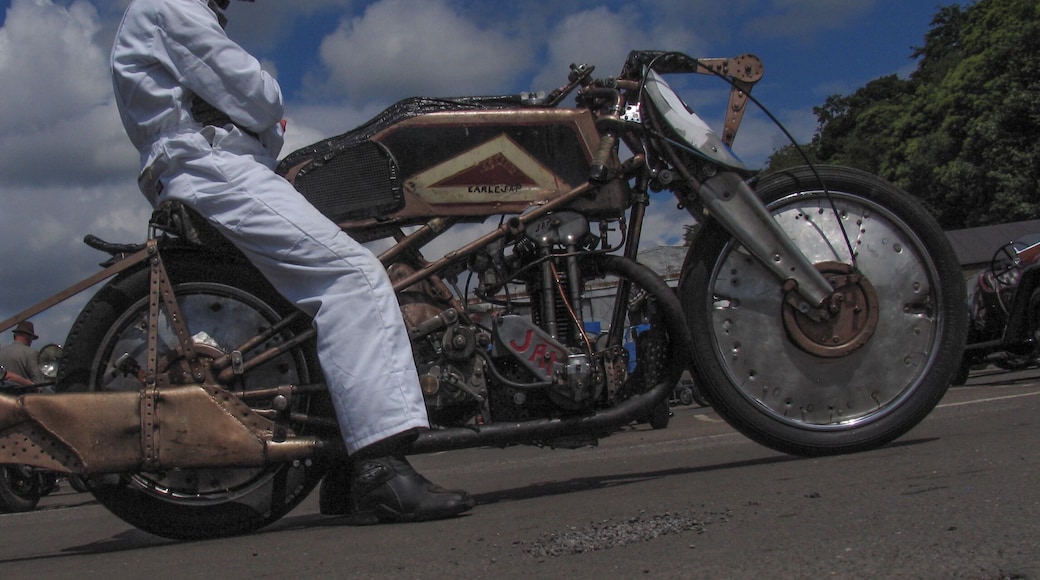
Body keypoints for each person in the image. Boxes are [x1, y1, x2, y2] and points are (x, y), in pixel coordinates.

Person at [110, 0, 473, 524]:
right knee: (354, 280)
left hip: (211, 166)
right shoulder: (170, 6)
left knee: (315, 309)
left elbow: (256, 114)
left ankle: (345, 470)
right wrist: (265, 90)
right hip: (214, 167)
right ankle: (379, 470)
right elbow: (259, 101)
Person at [0, 321, 46, 387]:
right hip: (23, 394)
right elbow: (39, 383)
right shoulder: (32, 353)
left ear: (14, 336)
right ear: (29, 338)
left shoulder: (2, 350)